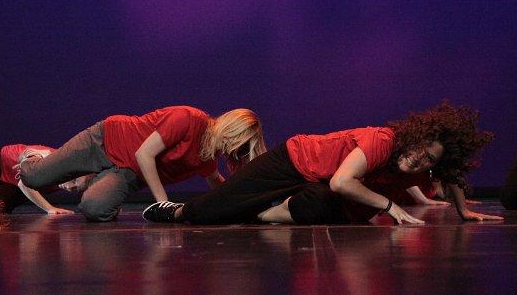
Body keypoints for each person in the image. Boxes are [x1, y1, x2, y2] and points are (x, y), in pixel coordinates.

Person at [143, 100, 500, 225]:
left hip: (320, 186)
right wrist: (391, 206)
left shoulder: (425, 168)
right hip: (295, 161)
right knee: (210, 211)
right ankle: (174, 211)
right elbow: (343, 181)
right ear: (414, 137)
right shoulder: (385, 141)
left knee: (320, 204)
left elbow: (452, 175)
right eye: (421, 148)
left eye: (429, 160)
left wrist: (463, 210)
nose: (419, 158)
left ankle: (257, 213)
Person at [18, 106, 266, 222]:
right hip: (105, 141)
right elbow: (145, 154)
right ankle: (40, 156)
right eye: (234, 140)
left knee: (95, 210)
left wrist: (244, 204)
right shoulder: (189, 119)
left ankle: (93, 180)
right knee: (33, 178)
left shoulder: (207, 158)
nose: (232, 149)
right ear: (227, 128)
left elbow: (218, 184)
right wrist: (163, 204)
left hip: (127, 172)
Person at [0, 144, 94, 214]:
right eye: (73, 181)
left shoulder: (75, 181)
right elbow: (24, 182)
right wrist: (49, 208)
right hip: (3, 162)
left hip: (21, 186)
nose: (69, 187)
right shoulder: (54, 160)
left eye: (75, 189)